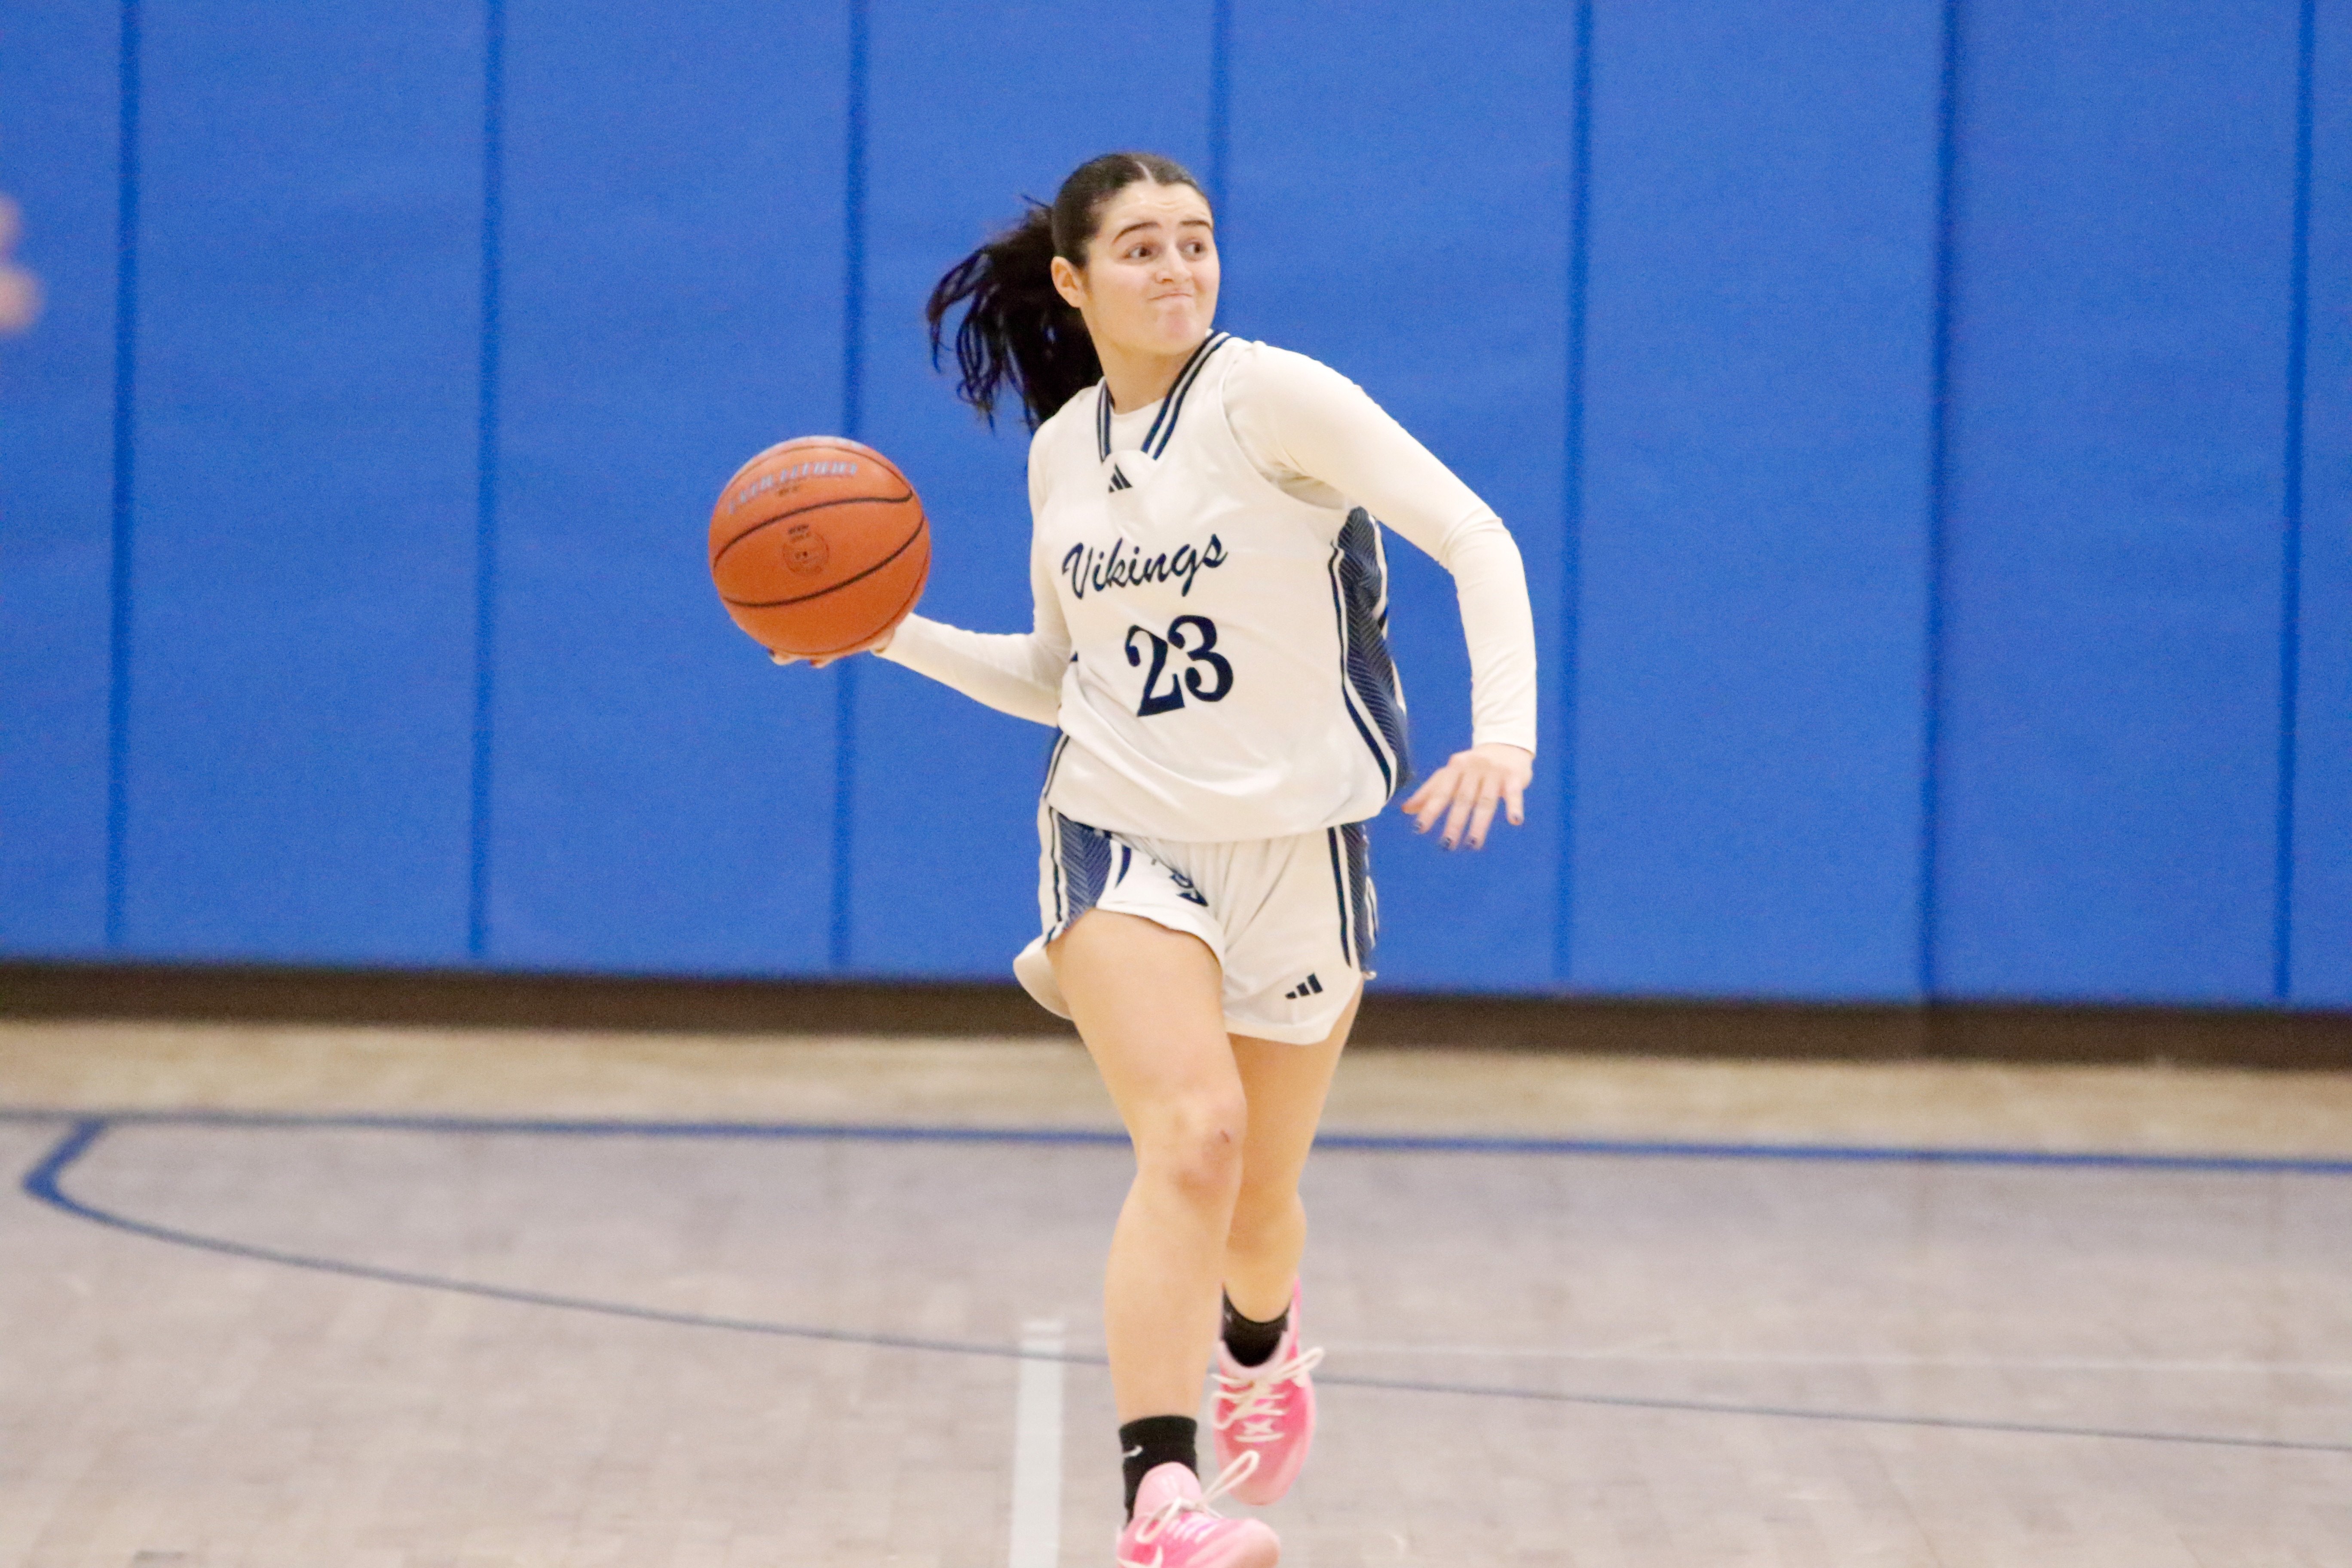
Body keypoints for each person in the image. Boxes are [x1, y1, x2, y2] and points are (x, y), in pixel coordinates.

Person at [782, 151, 1537, 1567]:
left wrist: (1507, 736)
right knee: (1192, 1139)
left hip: (1300, 849)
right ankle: (1162, 1499)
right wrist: (887, 632)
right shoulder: (1062, 451)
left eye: (1196, 241)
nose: (1178, 268)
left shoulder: (1278, 399)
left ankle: (1260, 1340)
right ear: (1074, 282)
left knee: (1258, 1208)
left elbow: (1475, 537)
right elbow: (1065, 681)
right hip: (1122, 834)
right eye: (1140, 249)